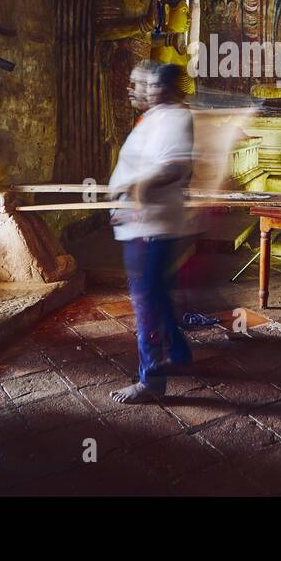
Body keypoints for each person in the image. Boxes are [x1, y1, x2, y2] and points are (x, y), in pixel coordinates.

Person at [108, 60, 195, 404]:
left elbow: (173, 166)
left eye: (140, 83)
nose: (134, 89)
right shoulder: (157, 116)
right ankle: (179, 351)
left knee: (145, 300)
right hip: (144, 222)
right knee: (156, 292)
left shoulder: (174, 117)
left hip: (152, 224)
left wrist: (137, 189)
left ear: (160, 87)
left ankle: (151, 378)